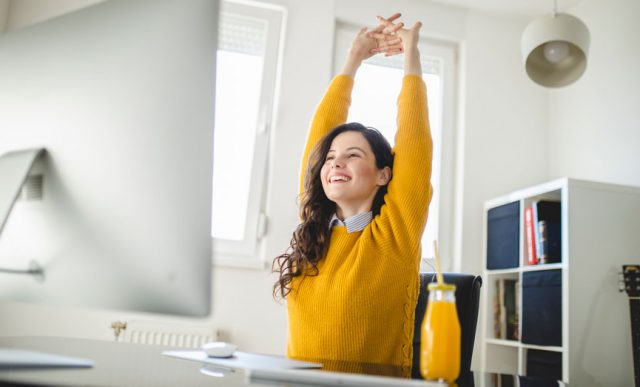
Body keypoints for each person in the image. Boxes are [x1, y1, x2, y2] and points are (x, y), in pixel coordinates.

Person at [273, 13, 433, 376]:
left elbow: (414, 142)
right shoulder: (314, 229)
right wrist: (353, 59)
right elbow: (320, 139)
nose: (335, 164)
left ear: (383, 175)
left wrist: (411, 54)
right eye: (331, 158)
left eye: (352, 155)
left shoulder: (394, 234)